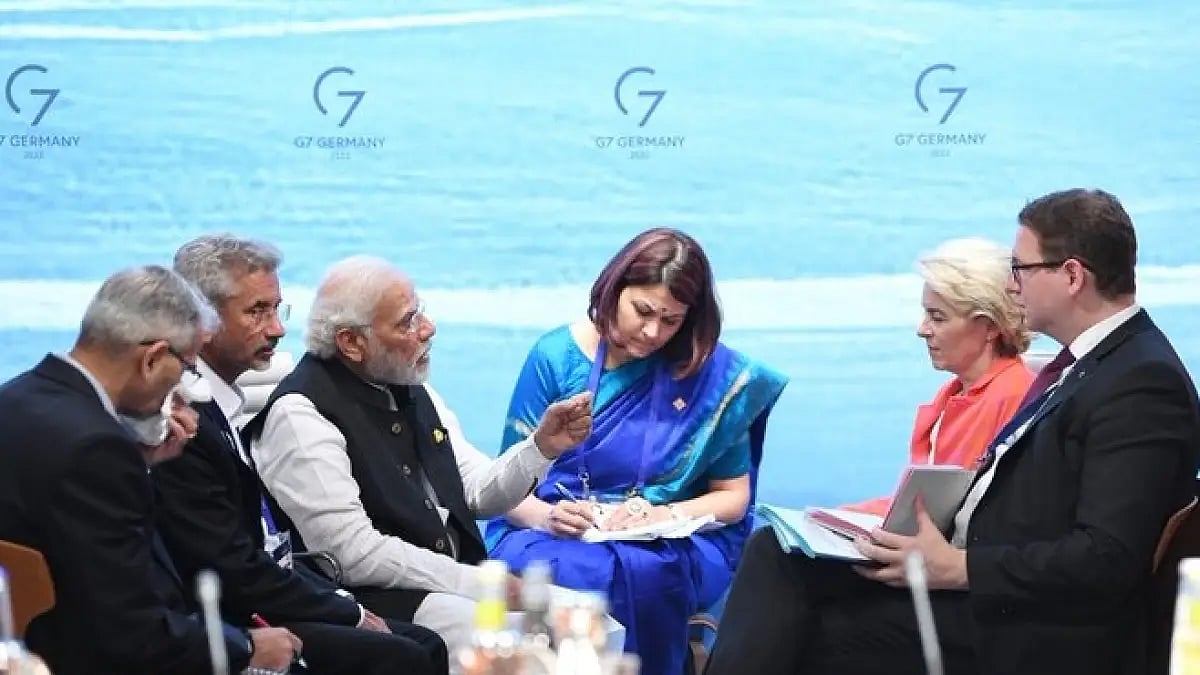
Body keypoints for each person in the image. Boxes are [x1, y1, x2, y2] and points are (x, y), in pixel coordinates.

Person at [703, 189, 1200, 675]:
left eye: (1021, 269)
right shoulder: (1089, 366)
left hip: (1035, 628)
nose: (1012, 287)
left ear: (1072, 276)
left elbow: (1107, 558)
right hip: (987, 587)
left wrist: (958, 568)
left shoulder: (1142, 383)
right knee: (777, 554)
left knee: (801, 631)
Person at [244, 254, 593, 666]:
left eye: (419, 312)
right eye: (407, 322)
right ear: (352, 343)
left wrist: (541, 447)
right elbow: (353, 554)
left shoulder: (408, 386)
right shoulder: (300, 415)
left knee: (588, 622)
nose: (428, 328)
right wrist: (479, 583)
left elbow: (477, 492)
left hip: (452, 583)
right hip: (379, 601)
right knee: (536, 645)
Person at [484, 227, 789, 675]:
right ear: (614, 288)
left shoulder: (707, 375)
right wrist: (548, 517)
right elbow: (506, 488)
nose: (652, 332)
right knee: (578, 570)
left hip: (671, 535)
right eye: (643, 311)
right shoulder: (555, 357)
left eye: (671, 321)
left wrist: (662, 516)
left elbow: (732, 497)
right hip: (553, 525)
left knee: (647, 572)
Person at [155, 235, 450, 675]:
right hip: (231, 620)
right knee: (403, 654)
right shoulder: (184, 424)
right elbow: (232, 568)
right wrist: (348, 611)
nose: (277, 329)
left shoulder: (221, 406)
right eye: (257, 311)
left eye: (277, 309)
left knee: (422, 644)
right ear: (202, 318)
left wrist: (340, 602)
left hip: (271, 588)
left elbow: (267, 548)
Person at [0, 266, 300, 675]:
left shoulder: (16, 398)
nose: (182, 386)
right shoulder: (98, 449)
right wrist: (246, 647)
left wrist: (142, 463)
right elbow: (133, 631)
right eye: (188, 368)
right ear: (153, 359)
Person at [845, 237, 1034, 515]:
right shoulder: (952, 395)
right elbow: (914, 507)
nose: (922, 330)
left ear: (989, 327)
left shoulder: (1014, 398)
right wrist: (836, 517)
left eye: (937, 317)